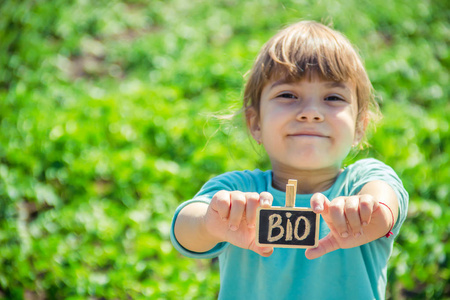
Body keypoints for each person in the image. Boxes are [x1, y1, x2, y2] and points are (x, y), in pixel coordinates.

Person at [170, 20, 408, 299]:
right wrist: (210, 222)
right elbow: (184, 229)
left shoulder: (362, 181)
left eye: (332, 97)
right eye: (288, 95)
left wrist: (369, 211)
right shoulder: (239, 191)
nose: (310, 112)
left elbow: (384, 201)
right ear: (255, 122)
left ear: (359, 127)